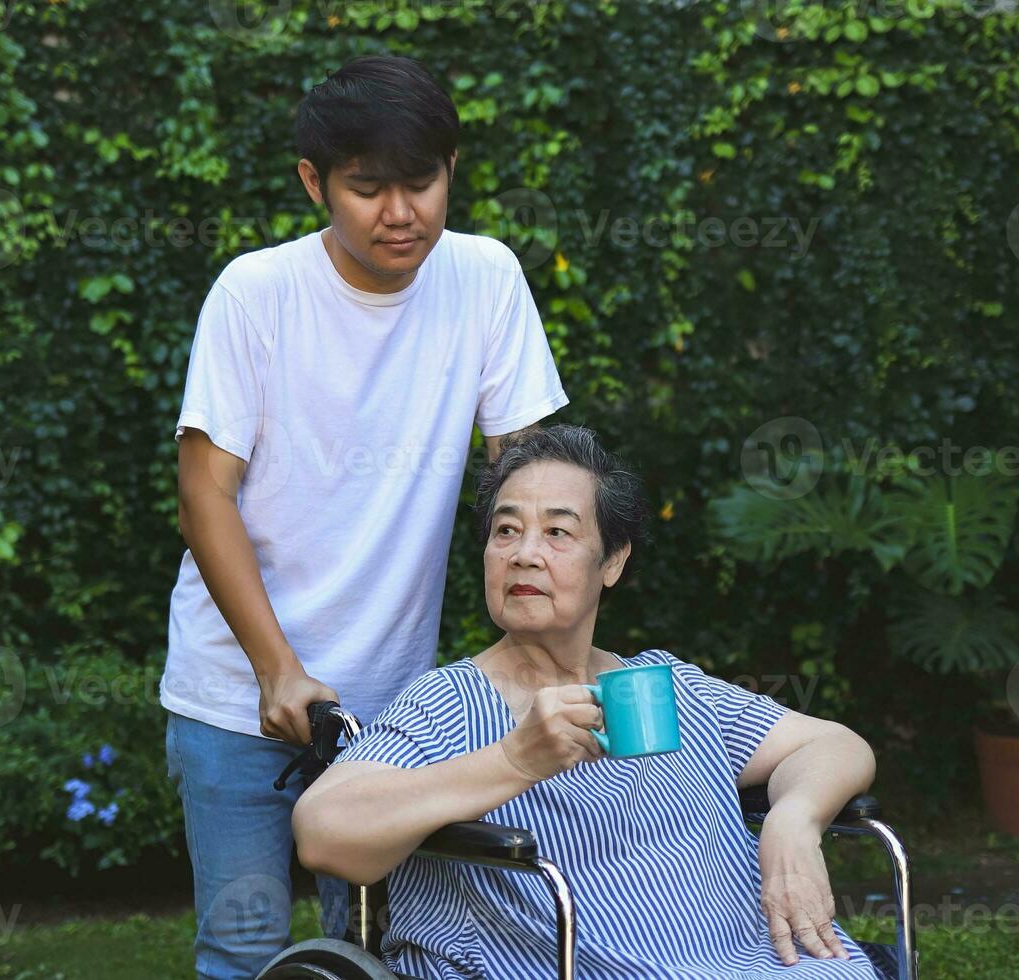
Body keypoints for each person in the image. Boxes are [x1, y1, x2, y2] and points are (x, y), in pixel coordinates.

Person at [160, 55, 569, 980]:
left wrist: (542, 651)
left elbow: (530, 481)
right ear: (315, 183)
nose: (401, 214)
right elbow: (203, 495)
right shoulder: (255, 295)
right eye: (367, 188)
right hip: (236, 694)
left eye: (421, 183)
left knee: (377, 950)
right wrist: (278, 670)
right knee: (245, 948)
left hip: (394, 709)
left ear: (451, 167)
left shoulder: (486, 279)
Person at [293, 425, 883, 979]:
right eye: (505, 530)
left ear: (614, 561)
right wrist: (516, 761)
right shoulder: (451, 702)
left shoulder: (663, 688)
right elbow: (323, 832)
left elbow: (833, 743)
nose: (524, 553)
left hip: (754, 959)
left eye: (557, 531)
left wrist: (794, 819)